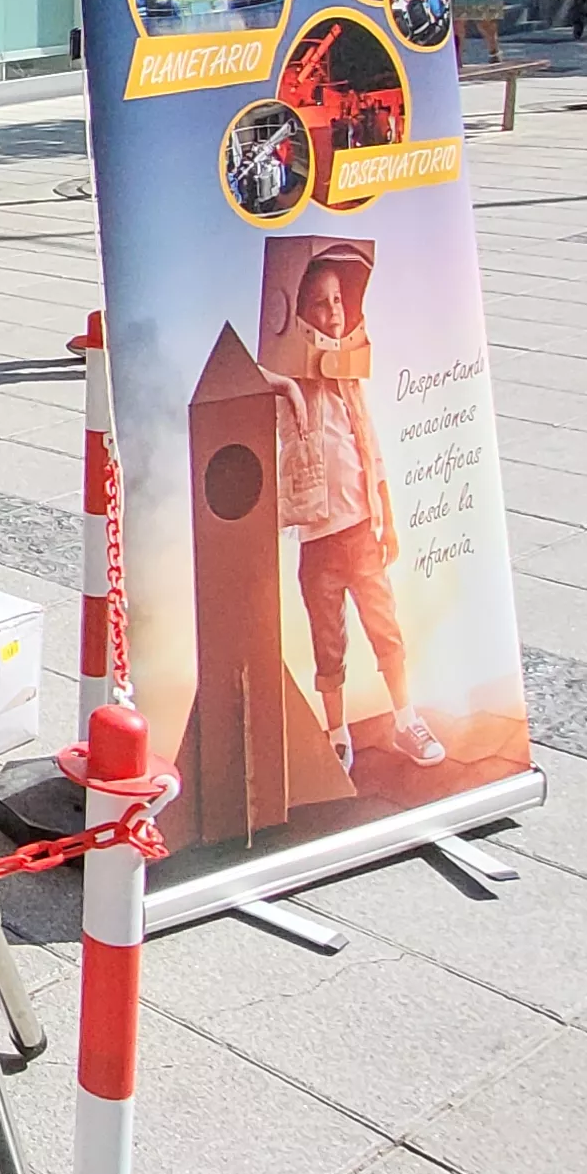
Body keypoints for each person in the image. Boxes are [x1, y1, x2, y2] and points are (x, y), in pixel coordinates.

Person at [266, 246, 437, 777]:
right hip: (320, 538)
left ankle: (405, 719)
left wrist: (386, 515)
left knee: (385, 629)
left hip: (361, 531)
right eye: (318, 304)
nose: (332, 312)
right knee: (328, 642)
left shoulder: (348, 381)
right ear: (298, 314)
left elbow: (372, 450)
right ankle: (336, 732)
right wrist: (280, 368)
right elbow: (261, 379)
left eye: (338, 300)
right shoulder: (294, 385)